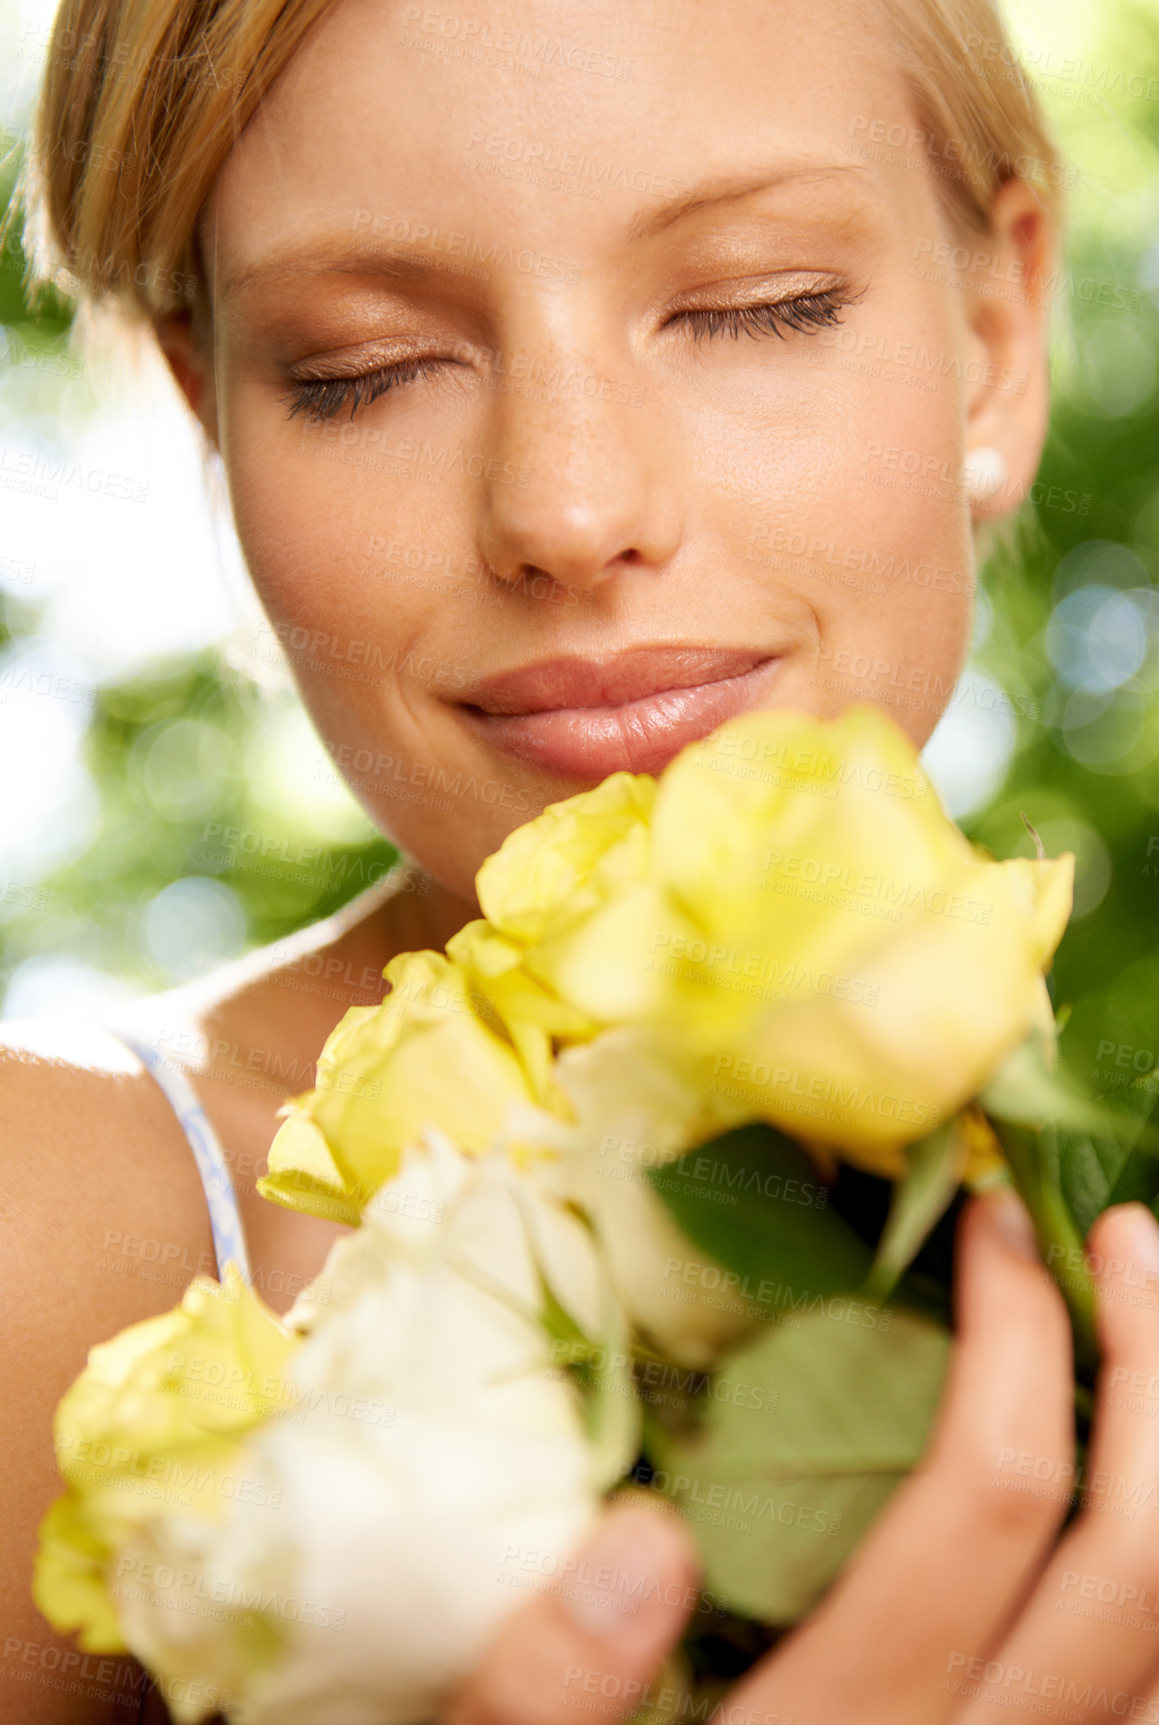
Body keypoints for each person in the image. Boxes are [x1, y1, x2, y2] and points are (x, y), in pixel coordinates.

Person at [5, 0, 1158, 1720]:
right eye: (361, 367)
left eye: (753, 305)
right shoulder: (52, 1233)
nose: (563, 504)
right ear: (214, 421)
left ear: (994, 331)